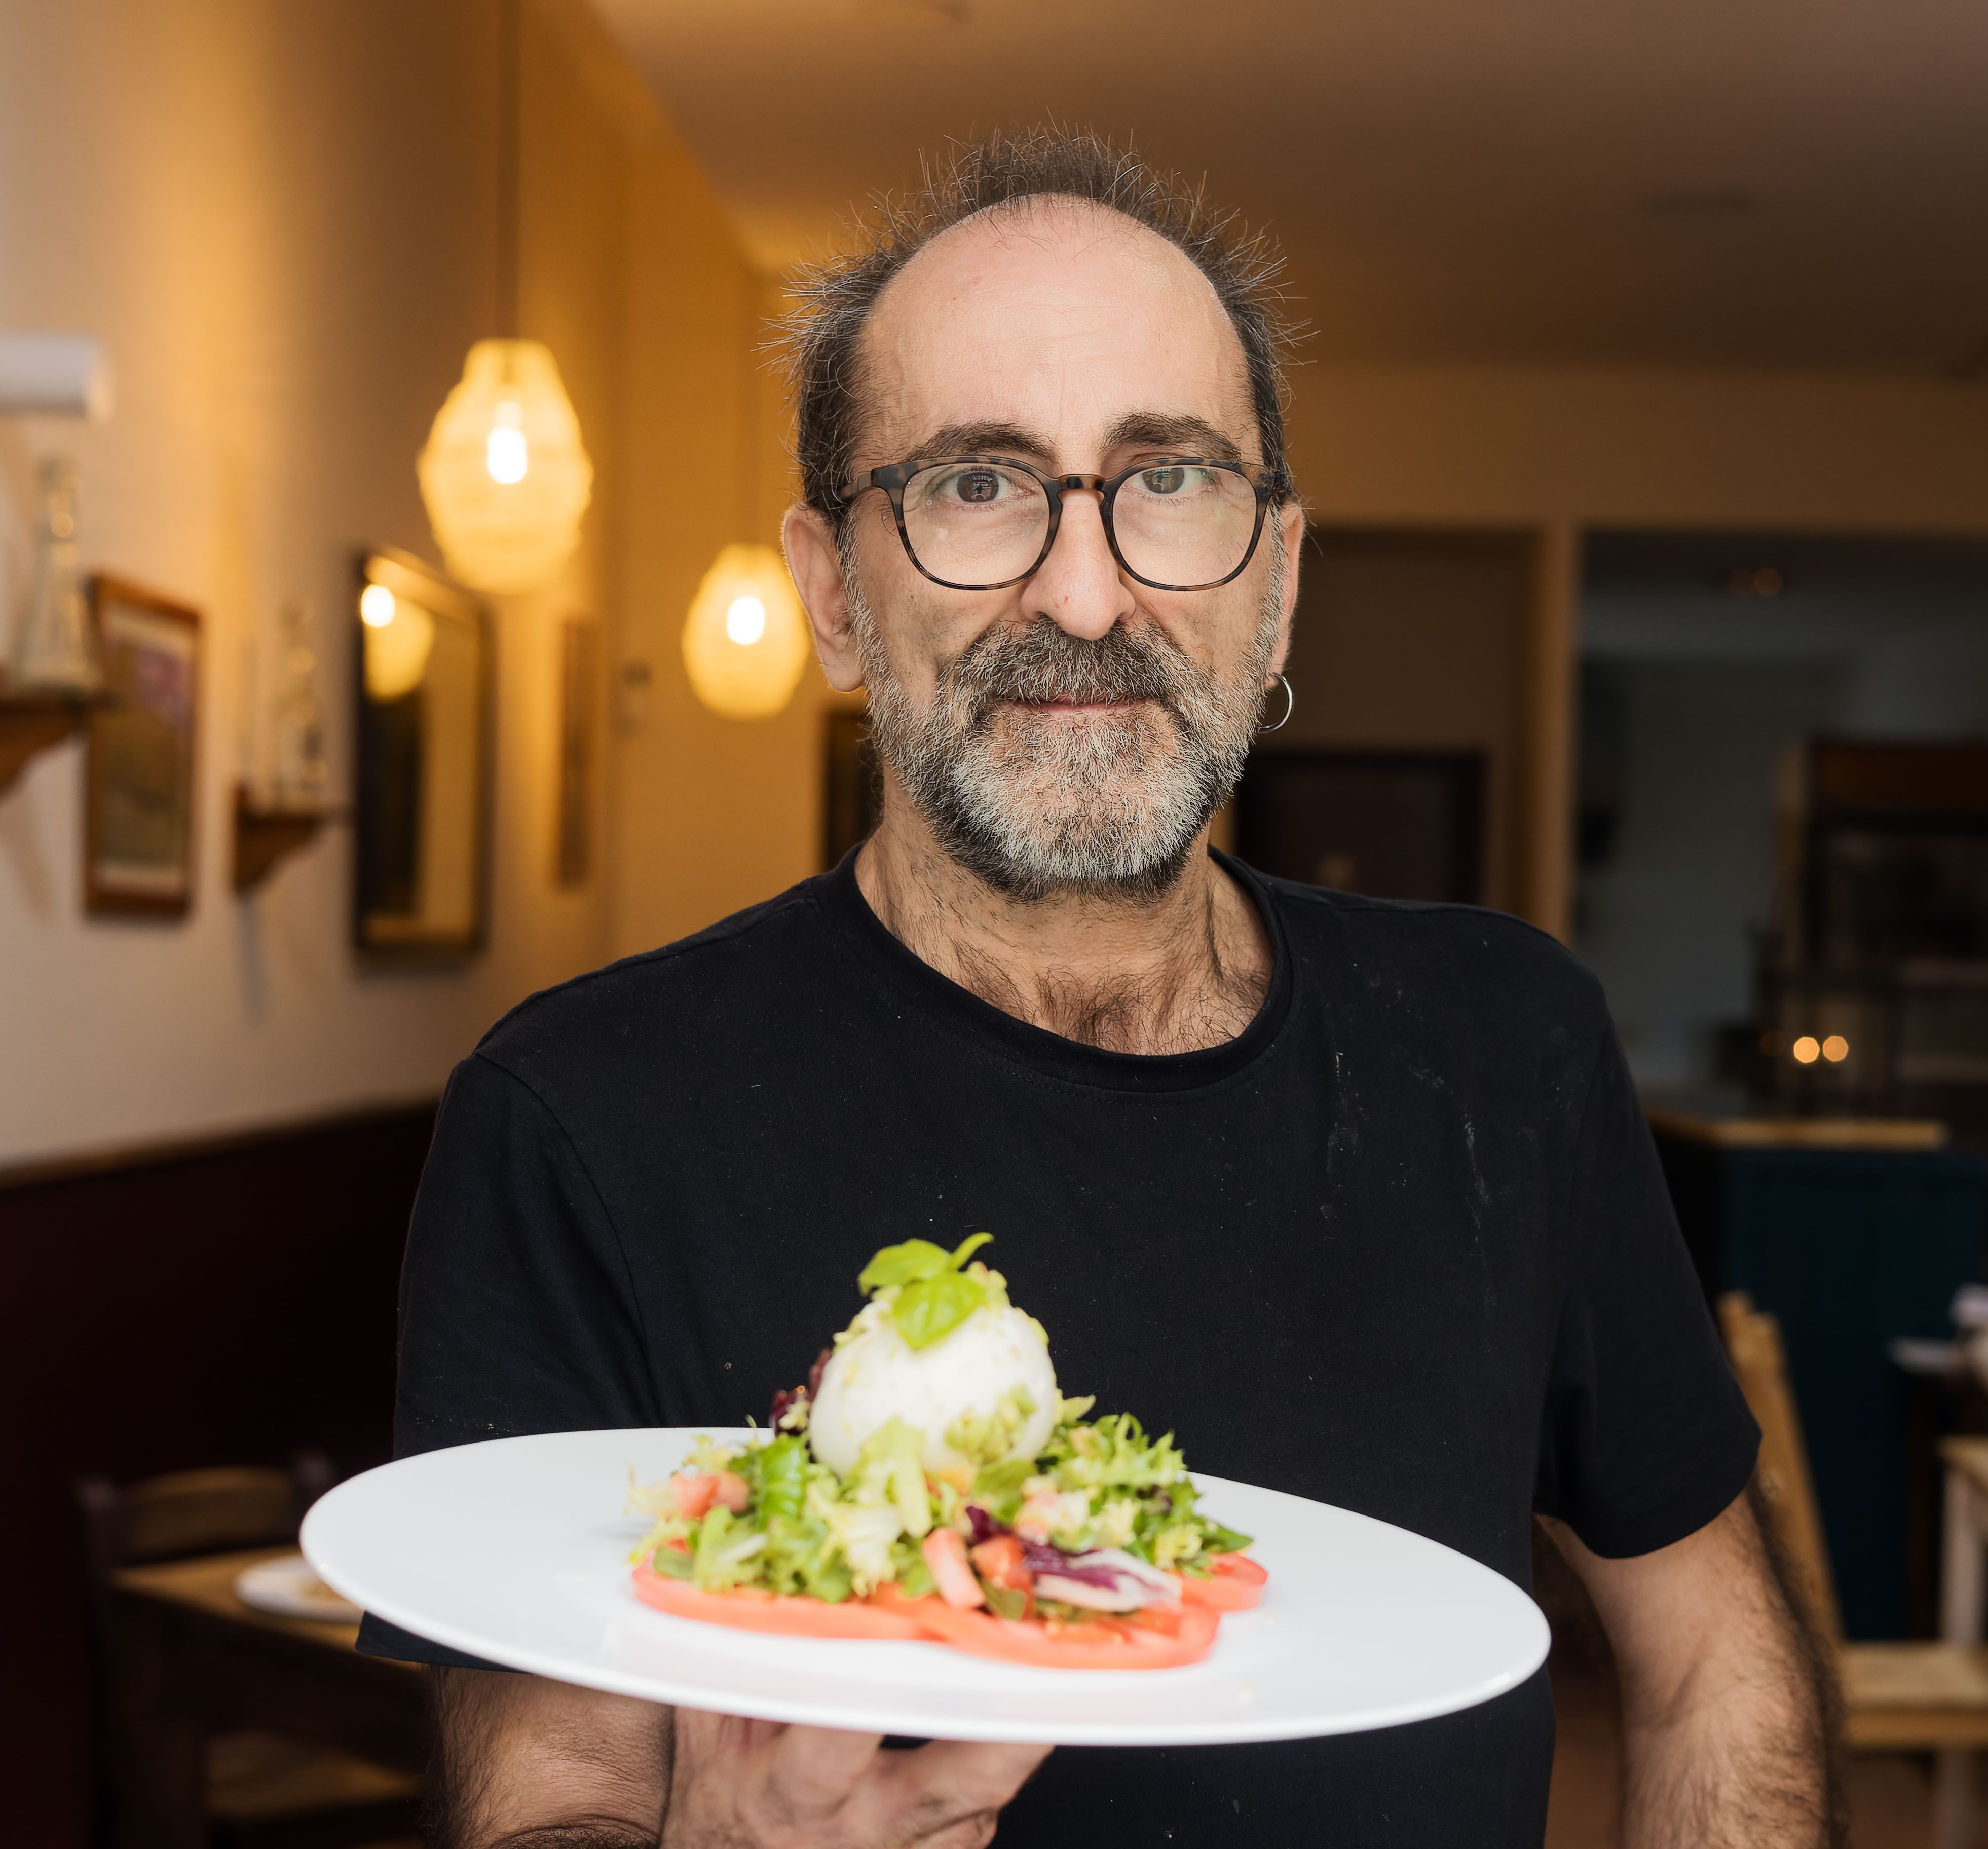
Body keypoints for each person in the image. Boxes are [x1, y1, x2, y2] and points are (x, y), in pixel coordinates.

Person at [371, 125, 1839, 1849]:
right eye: (978, 483)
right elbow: (547, 1809)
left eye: (1170, 482)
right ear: (836, 593)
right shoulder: (582, 1118)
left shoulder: (1505, 1047)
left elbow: (1710, 1669)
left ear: (1278, 588)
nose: (1086, 589)